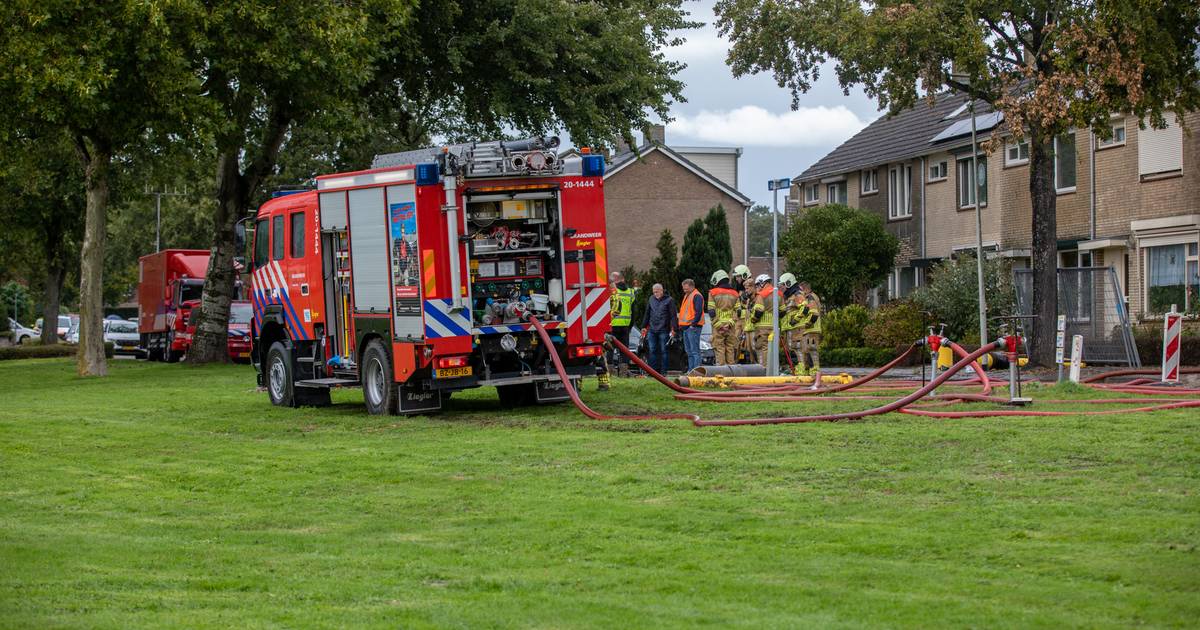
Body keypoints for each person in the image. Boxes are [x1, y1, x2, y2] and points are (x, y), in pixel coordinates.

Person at [640, 283, 677, 375]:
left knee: (664, 350)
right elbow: (647, 313)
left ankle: (663, 372)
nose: (655, 294)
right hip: (652, 329)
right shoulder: (651, 299)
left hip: (664, 329)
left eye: (656, 292)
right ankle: (653, 372)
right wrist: (644, 326)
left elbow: (673, 316)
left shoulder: (669, 300)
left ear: (661, 290)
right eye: (654, 292)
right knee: (652, 350)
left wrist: (673, 329)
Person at [707, 270, 741, 365]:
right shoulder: (735, 293)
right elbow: (738, 312)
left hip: (718, 328)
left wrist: (719, 326)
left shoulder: (713, 293)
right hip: (731, 327)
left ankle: (722, 375)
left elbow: (711, 311)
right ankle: (731, 376)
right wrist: (729, 324)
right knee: (730, 349)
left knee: (719, 349)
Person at [607, 271, 635, 376]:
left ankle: (610, 371)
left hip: (612, 325)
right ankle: (623, 372)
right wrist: (630, 326)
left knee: (609, 349)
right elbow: (633, 311)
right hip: (625, 326)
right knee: (624, 350)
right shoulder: (631, 292)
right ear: (623, 279)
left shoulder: (612, 291)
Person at [777, 272, 805, 375]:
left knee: (798, 349)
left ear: (789, 283)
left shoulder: (797, 294)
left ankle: (801, 370)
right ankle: (795, 370)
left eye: (783, 285)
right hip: (789, 329)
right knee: (791, 350)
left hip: (796, 328)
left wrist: (796, 319)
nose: (781, 287)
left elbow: (804, 308)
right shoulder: (788, 296)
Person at [750, 274, 779, 368]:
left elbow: (759, 311)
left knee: (762, 348)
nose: (757, 288)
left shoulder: (762, 295)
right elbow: (782, 311)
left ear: (762, 283)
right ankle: (773, 369)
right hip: (774, 327)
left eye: (758, 285)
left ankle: (763, 369)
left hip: (762, 327)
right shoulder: (778, 294)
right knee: (773, 349)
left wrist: (753, 319)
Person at [798, 280, 823, 388]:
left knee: (812, 352)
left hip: (812, 330)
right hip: (811, 330)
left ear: (804, 289)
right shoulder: (812, 297)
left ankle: (815, 375)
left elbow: (814, 314)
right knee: (808, 352)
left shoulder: (810, 298)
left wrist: (807, 324)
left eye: (800, 290)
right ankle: (811, 374)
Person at [677, 278, 705, 372]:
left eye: (686, 288)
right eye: (683, 289)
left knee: (694, 351)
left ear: (692, 286)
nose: (684, 290)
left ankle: (696, 371)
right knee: (689, 351)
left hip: (693, 327)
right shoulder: (688, 295)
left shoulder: (696, 295)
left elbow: (698, 312)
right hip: (687, 327)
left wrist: (693, 324)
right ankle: (691, 371)